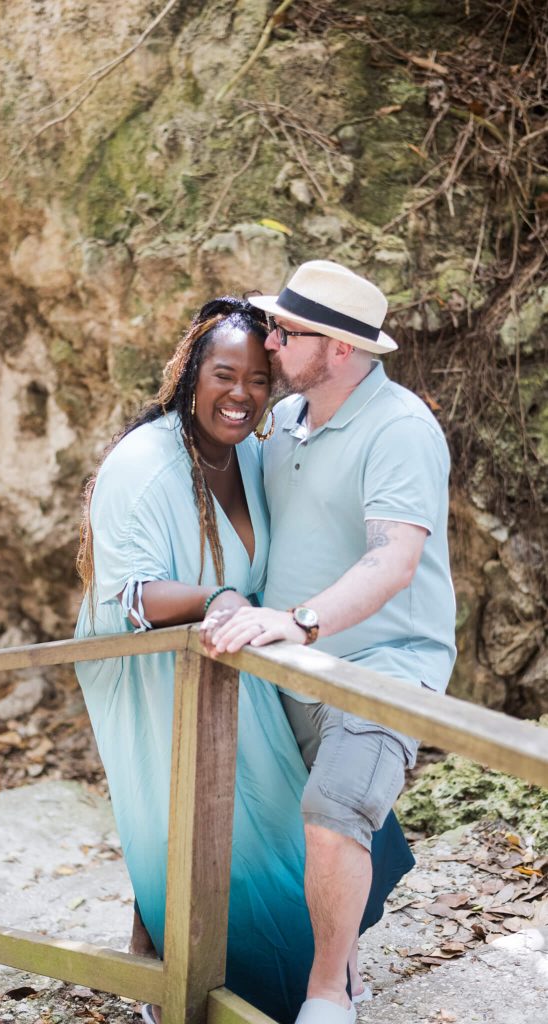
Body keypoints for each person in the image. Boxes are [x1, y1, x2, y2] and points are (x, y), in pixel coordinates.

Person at [74, 295, 415, 1024]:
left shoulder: (255, 455)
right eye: (224, 375)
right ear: (189, 374)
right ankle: (173, 977)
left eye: (260, 379)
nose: (242, 393)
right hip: (151, 662)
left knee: (269, 817)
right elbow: (128, 594)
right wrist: (217, 596)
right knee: (182, 820)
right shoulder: (144, 462)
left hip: (232, 658)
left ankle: (296, 970)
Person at [204, 261, 456, 1024]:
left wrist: (300, 619)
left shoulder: (401, 429)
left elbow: (394, 560)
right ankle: (335, 967)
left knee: (335, 805)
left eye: (286, 332)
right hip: (288, 669)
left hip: (383, 666)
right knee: (288, 819)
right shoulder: (285, 420)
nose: (270, 343)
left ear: (340, 349)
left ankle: (327, 998)